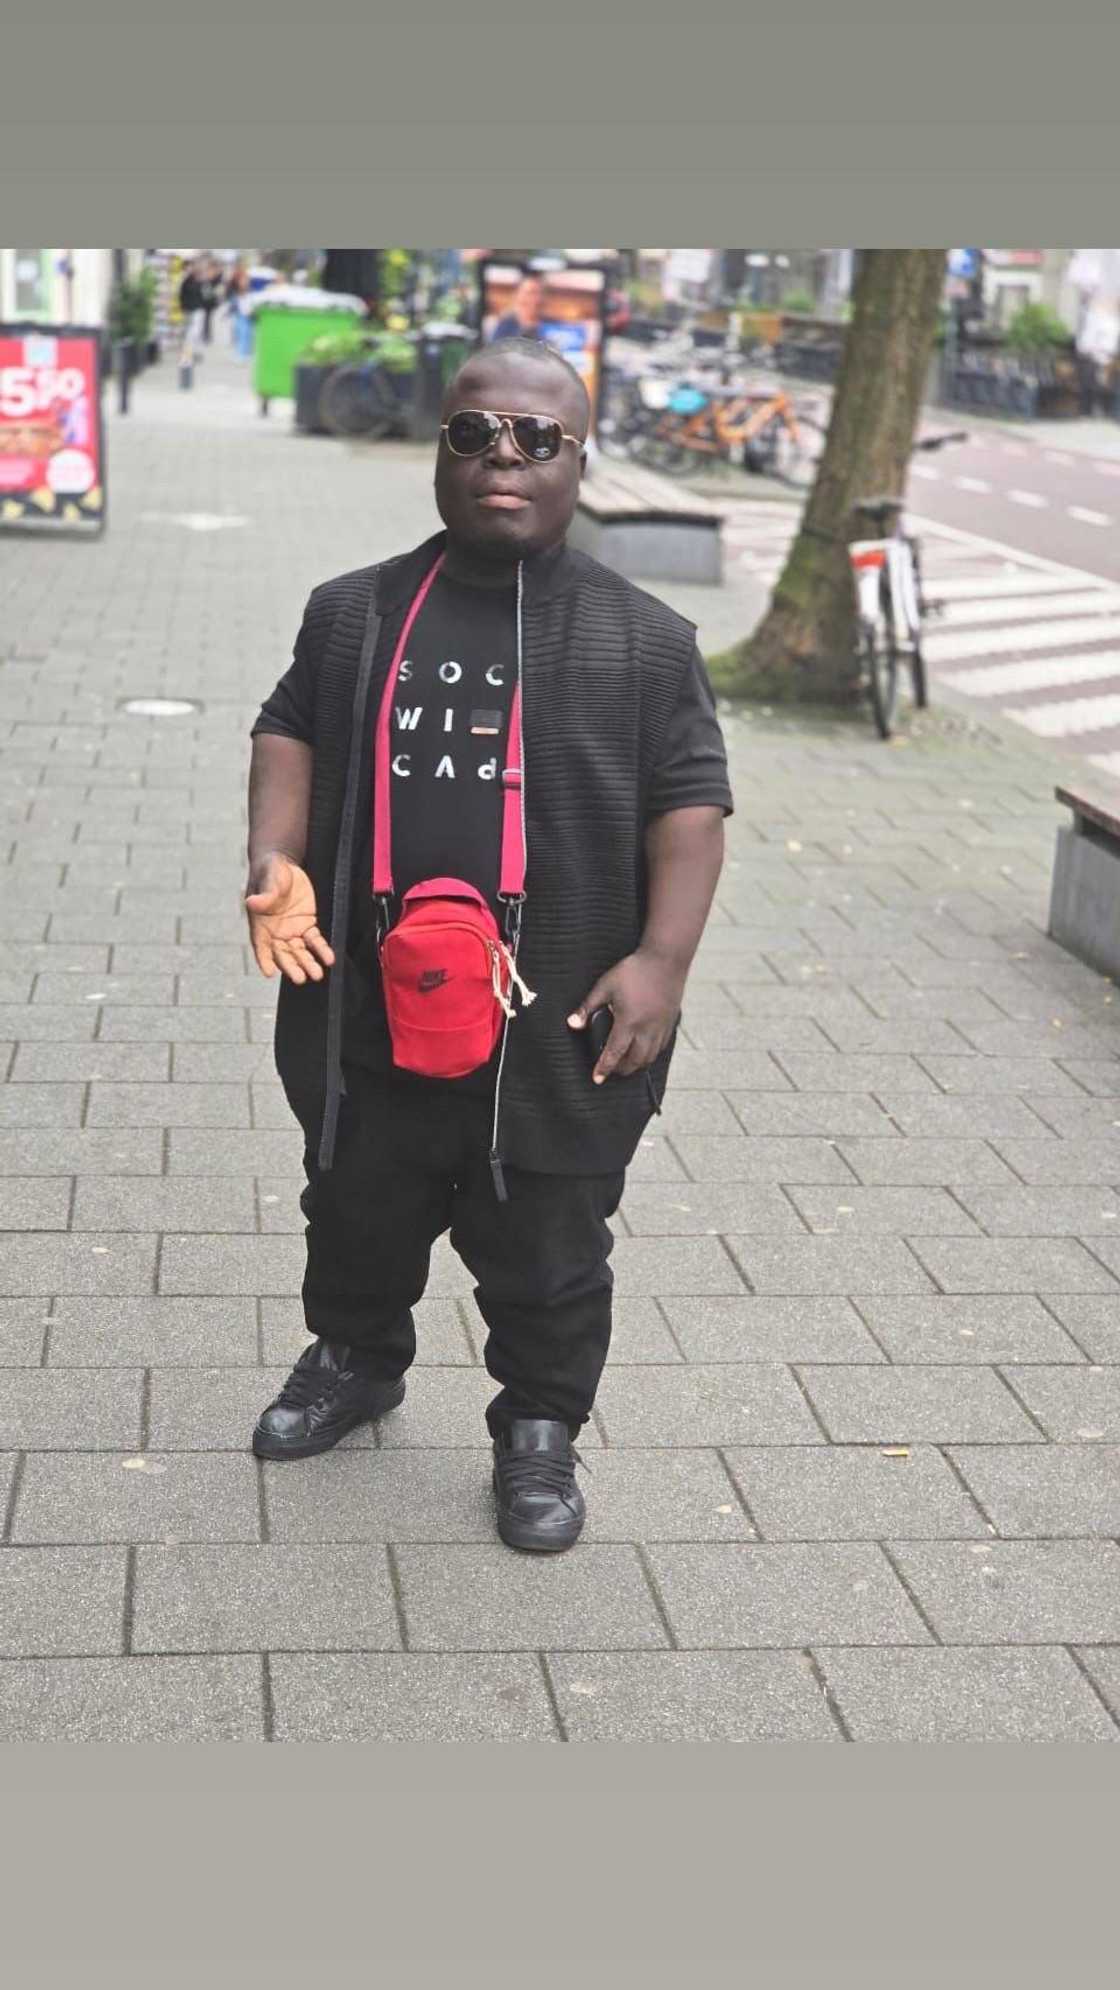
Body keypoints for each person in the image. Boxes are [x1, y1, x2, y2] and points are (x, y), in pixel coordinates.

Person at [245, 338, 732, 1552]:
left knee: (550, 1243)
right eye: (473, 434)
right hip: (366, 997)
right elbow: (286, 728)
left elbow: (691, 802)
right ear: (438, 453)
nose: (501, 456)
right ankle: (356, 1359)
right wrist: (276, 862)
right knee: (354, 1199)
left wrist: (662, 961)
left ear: (578, 456)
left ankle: (538, 1430)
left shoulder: (645, 638)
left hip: (558, 1018)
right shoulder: (353, 610)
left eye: (536, 437)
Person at [490, 272, 545, 342]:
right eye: (531, 292)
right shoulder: (505, 326)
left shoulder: (551, 327)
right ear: (518, 295)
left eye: (540, 293)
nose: (537, 299)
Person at [177, 258, 207, 363]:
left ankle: (193, 354)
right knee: (190, 333)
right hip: (188, 310)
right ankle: (191, 354)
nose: (190, 269)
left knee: (194, 333)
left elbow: (205, 296)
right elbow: (181, 295)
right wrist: (182, 307)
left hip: (197, 310)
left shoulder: (199, 281)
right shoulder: (185, 281)